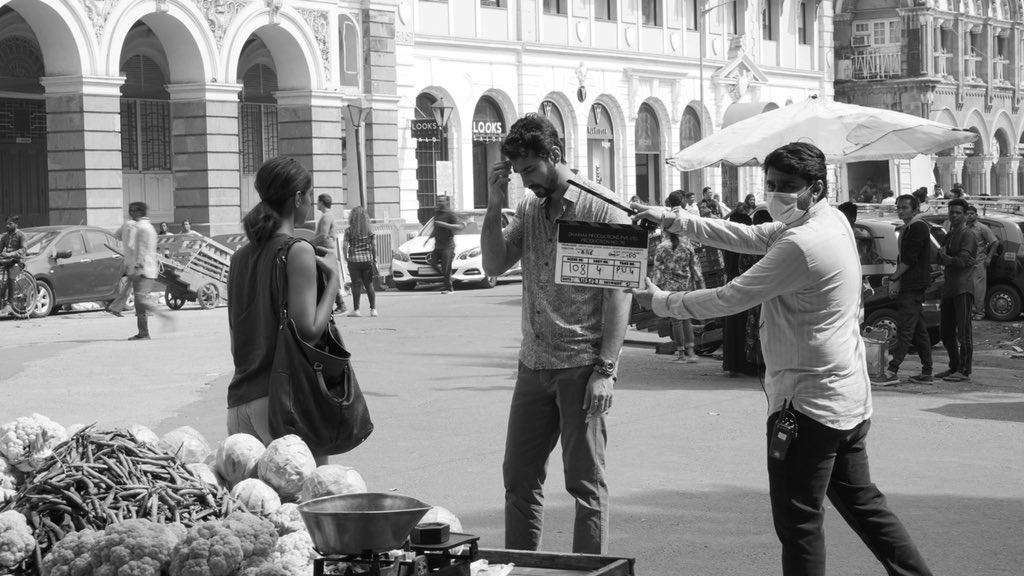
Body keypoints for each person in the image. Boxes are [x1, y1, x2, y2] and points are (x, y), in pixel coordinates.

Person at [628, 142, 933, 576]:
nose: (776, 194)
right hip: (843, 399)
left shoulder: (804, 243)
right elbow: (750, 236)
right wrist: (673, 217)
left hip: (807, 405)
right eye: (771, 184)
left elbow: (732, 296)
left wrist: (663, 302)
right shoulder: (826, 221)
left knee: (800, 525)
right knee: (865, 506)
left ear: (816, 187)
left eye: (787, 187)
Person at [481, 113, 631, 555]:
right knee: (520, 477)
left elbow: (619, 292)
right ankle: (523, 565)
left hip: (581, 366)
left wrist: (607, 369)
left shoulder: (602, 207)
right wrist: (493, 203)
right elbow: (493, 264)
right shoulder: (529, 208)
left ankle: (589, 569)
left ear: (556, 156)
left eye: (530, 169)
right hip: (533, 365)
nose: (526, 181)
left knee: (585, 484)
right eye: (519, 172)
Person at [226, 156, 340, 465]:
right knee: (307, 507)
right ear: (298, 197)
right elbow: (309, 330)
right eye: (309, 196)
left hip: (239, 406)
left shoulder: (239, 258)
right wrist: (334, 279)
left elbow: (240, 332)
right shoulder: (296, 250)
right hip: (281, 405)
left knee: (256, 510)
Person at [872, 194, 934, 386]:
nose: (900, 210)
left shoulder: (917, 226)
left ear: (914, 209)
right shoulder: (909, 227)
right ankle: (927, 372)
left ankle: (892, 370)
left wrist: (894, 277)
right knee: (919, 330)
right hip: (912, 283)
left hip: (912, 284)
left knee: (906, 328)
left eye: (904, 207)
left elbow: (910, 258)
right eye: (898, 207)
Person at [112, 202, 172, 339]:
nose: (130, 213)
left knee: (141, 299)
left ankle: (163, 317)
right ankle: (143, 332)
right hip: (145, 268)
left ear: (140, 212)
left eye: (133, 210)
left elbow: (140, 249)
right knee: (140, 304)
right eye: (130, 210)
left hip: (143, 269)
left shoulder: (141, 228)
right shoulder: (147, 226)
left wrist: (137, 265)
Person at [936, 198, 978, 383]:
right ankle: (954, 366)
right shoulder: (950, 234)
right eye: (951, 212)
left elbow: (961, 261)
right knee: (946, 331)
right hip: (949, 287)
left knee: (963, 332)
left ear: (965, 215)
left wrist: (948, 258)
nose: (954, 215)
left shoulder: (967, 235)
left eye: (958, 213)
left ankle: (964, 369)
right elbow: (941, 256)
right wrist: (949, 258)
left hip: (963, 287)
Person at [652, 221, 704, 363]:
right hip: (686, 287)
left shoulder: (661, 247)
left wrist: (654, 288)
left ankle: (681, 354)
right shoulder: (688, 246)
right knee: (686, 318)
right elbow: (695, 268)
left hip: (670, 288)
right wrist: (701, 284)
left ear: (666, 231)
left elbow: (656, 270)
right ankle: (691, 353)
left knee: (676, 321)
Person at [719, 211, 758, 377]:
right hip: (743, 285)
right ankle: (743, 363)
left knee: (732, 326)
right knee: (743, 327)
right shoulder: (746, 243)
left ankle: (731, 363)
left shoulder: (727, 239)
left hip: (730, 283)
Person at [313, 193, 347, 314]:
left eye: (318, 201)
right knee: (328, 278)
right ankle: (339, 304)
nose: (316, 204)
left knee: (326, 279)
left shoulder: (326, 216)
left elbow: (322, 235)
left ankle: (339, 305)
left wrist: (310, 242)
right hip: (327, 249)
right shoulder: (329, 215)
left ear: (321, 202)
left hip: (324, 250)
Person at [343, 206, 378, 317]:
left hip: (354, 260)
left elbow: (344, 246)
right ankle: (373, 310)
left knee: (356, 285)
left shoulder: (349, 230)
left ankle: (356, 310)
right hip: (367, 260)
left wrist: (346, 257)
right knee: (369, 284)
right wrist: (374, 258)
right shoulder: (369, 230)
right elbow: (373, 246)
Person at [966, 204, 998, 319]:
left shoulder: (982, 228)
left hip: (979, 261)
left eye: (971, 213)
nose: (969, 216)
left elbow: (995, 242)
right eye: (967, 213)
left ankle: (979, 312)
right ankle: (969, 312)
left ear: (976, 214)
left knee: (978, 289)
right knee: (967, 288)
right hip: (965, 263)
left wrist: (989, 257)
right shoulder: (962, 227)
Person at [430, 195, 465, 294]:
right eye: (438, 201)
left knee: (446, 267)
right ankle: (446, 279)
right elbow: (436, 228)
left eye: (441, 201)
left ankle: (449, 288)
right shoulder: (436, 212)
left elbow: (459, 227)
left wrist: (443, 224)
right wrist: (428, 238)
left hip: (448, 247)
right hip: (438, 246)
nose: (439, 203)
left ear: (446, 202)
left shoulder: (450, 214)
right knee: (432, 262)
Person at [0, 216, 28, 316]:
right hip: (7, 261)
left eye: (10, 224)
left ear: (16, 224)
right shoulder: (4, 236)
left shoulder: (22, 235)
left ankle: (9, 303)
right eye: (6, 223)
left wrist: (10, 254)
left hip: (18, 261)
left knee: (11, 277)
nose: (7, 226)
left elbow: (23, 250)